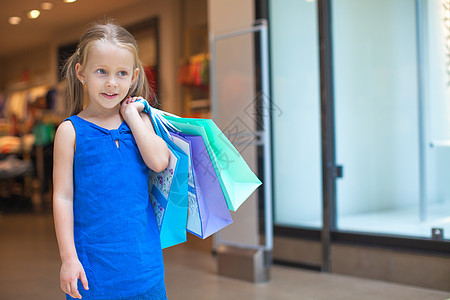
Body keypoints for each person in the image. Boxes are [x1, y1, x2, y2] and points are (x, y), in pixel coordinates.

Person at [53, 21, 170, 300]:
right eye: (101, 71)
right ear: (81, 72)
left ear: (134, 77)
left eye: (121, 73)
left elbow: (159, 162)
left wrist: (132, 116)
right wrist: (68, 259)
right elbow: (63, 197)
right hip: (92, 274)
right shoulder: (70, 132)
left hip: (146, 269)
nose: (111, 82)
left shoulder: (140, 122)